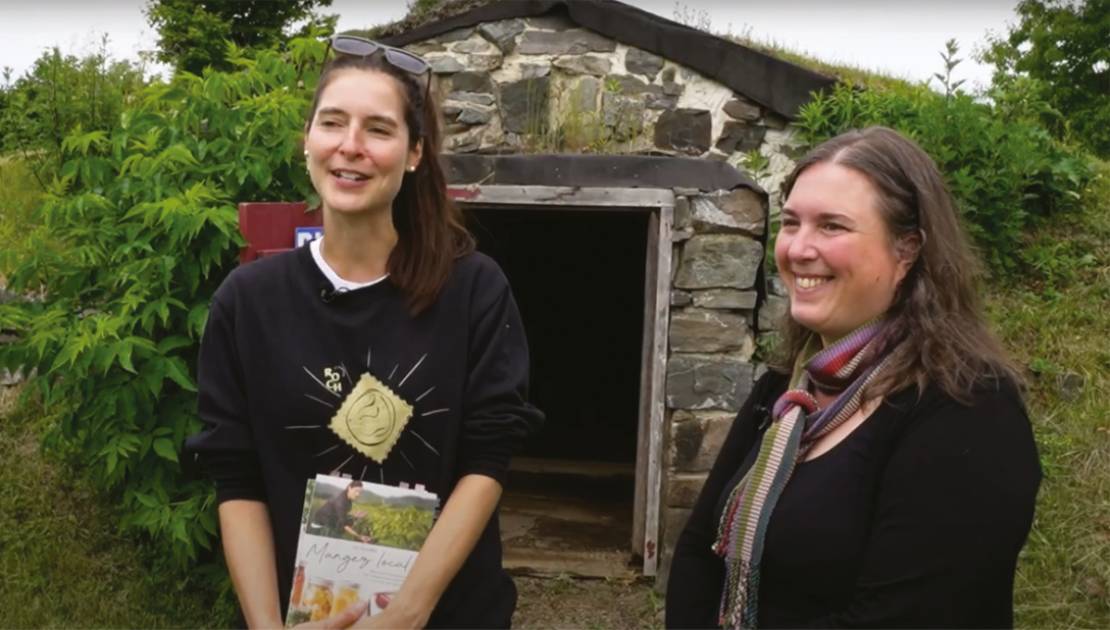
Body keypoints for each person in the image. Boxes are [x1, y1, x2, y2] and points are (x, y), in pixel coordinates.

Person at [185, 35, 544, 630]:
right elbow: (237, 478)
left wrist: (404, 615)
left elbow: (487, 461)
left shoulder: (474, 291)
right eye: (333, 123)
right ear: (308, 140)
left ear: (413, 154)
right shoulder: (247, 302)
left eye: (378, 129)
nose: (350, 147)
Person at [664, 126, 1042, 629]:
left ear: (907, 251)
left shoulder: (968, 407)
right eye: (793, 222)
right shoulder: (785, 393)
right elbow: (696, 551)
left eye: (832, 226)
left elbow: (904, 619)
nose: (798, 249)